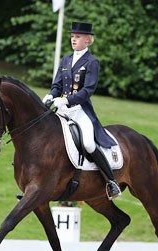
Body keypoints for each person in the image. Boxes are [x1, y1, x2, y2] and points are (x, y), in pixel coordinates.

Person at [43, 22, 121, 200]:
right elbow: (57, 85)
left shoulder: (92, 62)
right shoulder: (66, 59)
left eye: (77, 37)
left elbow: (88, 90)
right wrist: (50, 95)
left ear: (87, 40)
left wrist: (67, 99)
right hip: (62, 111)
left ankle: (111, 181)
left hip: (80, 110)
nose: (74, 40)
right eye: (72, 37)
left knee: (88, 144)